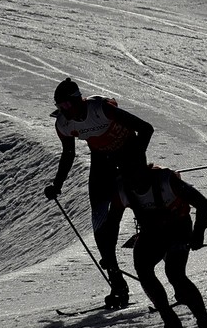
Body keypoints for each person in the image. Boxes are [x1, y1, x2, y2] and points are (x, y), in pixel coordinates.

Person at [44, 77, 153, 308]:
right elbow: (68, 154)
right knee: (100, 221)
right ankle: (117, 285)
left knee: (142, 209)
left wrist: (134, 165)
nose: (64, 111)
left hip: (128, 153)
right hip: (102, 160)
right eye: (59, 107)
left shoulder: (100, 108)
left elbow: (145, 129)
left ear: (77, 100)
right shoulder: (63, 124)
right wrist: (58, 183)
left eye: (66, 105)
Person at [115, 163, 207, 328]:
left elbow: (203, 204)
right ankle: (171, 322)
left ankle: (206, 324)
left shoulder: (166, 180)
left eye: (137, 179)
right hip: (152, 233)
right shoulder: (122, 188)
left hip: (178, 228)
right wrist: (108, 254)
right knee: (142, 267)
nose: (135, 184)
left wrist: (198, 233)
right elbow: (111, 222)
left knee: (175, 273)